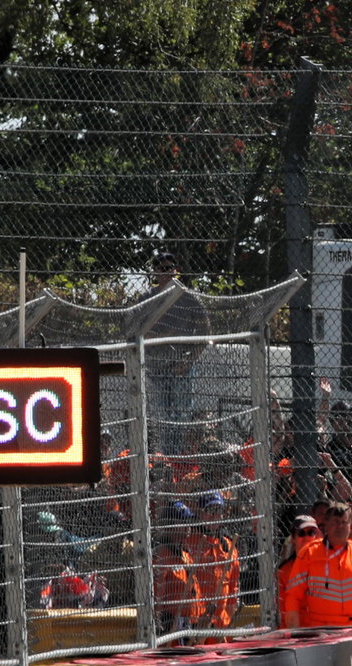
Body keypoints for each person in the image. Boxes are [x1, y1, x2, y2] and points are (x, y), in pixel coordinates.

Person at [280, 500, 352, 627]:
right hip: (321, 630)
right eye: (335, 522)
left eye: (344, 522)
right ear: (326, 525)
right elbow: (293, 597)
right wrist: (294, 632)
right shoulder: (309, 554)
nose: (340, 527)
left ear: (350, 525)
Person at [143, 252, 209, 455]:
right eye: (163, 269)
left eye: (171, 268)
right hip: (156, 365)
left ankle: (181, 456)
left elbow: (206, 330)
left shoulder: (187, 298)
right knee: (162, 415)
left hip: (182, 365)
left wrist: (190, 360)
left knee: (182, 414)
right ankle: (167, 456)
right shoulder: (147, 299)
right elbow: (137, 331)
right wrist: (165, 334)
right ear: (156, 272)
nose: (168, 273)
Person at [184, 492, 242, 632]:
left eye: (219, 511)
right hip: (196, 623)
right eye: (210, 511)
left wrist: (228, 617)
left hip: (221, 623)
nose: (214, 516)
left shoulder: (228, 546)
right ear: (200, 513)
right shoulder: (188, 543)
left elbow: (233, 587)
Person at [153, 501, 203, 638]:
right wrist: (159, 622)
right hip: (171, 627)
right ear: (170, 525)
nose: (188, 526)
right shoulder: (161, 556)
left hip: (190, 623)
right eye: (183, 522)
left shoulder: (185, 554)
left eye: (188, 522)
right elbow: (157, 593)